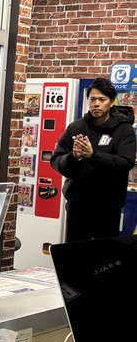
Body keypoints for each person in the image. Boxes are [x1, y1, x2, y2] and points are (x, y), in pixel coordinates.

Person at [51, 77, 136, 242]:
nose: (96, 104)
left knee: (104, 254)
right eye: (92, 99)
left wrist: (93, 155)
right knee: (75, 252)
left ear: (111, 102)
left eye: (102, 100)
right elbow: (56, 161)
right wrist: (73, 157)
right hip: (78, 206)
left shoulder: (124, 130)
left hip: (108, 207)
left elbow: (126, 162)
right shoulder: (76, 127)